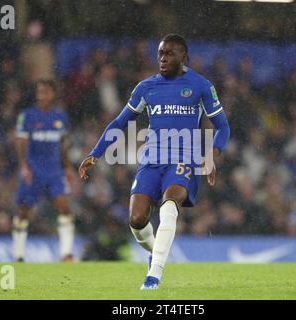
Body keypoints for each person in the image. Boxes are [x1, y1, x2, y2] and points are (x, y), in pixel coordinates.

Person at [78, 34, 230, 289]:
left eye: (169, 53)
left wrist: (212, 154)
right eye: (160, 53)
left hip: (183, 160)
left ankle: (154, 276)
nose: (163, 58)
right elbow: (119, 123)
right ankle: (154, 253)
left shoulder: (201, 85)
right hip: (151, 160)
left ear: (184, 57)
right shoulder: (146, 88)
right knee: (137, 220)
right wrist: (95, 152)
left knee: (170, 206)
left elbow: (222, 126)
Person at [13, 80, 75, 262]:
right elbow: (21, 142)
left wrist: (67, 167)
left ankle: (66, 253)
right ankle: (18, 255)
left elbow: (63, 144)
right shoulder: (27, 116)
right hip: (33, 170)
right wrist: (23, 165)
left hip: (54, 171)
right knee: (24, 211)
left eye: (46, 92)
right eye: (39, 92)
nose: (42, 95)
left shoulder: (60, 117)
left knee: (64, 207)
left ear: (52, 94)